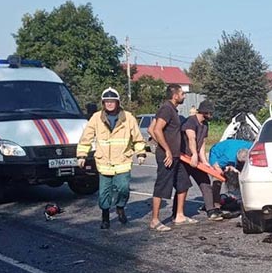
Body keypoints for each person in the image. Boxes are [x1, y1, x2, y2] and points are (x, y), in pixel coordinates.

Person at [77, 88, 146, 229]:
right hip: (104, 163)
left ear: (118, 102)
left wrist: (140, 153)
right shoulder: (96, 118)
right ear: (103, 103)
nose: (109, 104)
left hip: (122, 161)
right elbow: (86, 138)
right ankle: (105, 216)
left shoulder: (128, 118)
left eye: (112, 101)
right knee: (104, 193)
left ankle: (120, 207)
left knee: (123, 189)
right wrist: (82, 155)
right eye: (106, 101)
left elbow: (138, 138)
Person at [149, 84, 192, 231]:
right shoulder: (166, 109)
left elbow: (150, 129)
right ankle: (155, 220)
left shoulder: (171, 109)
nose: (184, 96)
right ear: (175, 95)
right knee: (162, 186)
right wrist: (166, 149)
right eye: (182, 94)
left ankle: (179, 216)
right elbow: (156, 129)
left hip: (176, 155)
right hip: (167, 156)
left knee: (184, 183)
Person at [181, 100, 222, 221]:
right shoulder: (190, 121)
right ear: (205, 112)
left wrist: (204, 161)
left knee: (205, 183)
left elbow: (202, 143)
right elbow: (191, 138)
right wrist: (193, 154)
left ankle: (211, 211)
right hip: (185, 158)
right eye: (210, 113)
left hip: (196, 160)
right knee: (183, 186)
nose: (211, 116)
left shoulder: (205, 125)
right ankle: (177, 213)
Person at [208, 138, 253, 216]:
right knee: (218, 178)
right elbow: (217, 166)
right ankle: (216, 205)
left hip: (232, 147)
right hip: (216, 153)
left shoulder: (251, 147)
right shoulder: (227, 158)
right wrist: (225, 170)